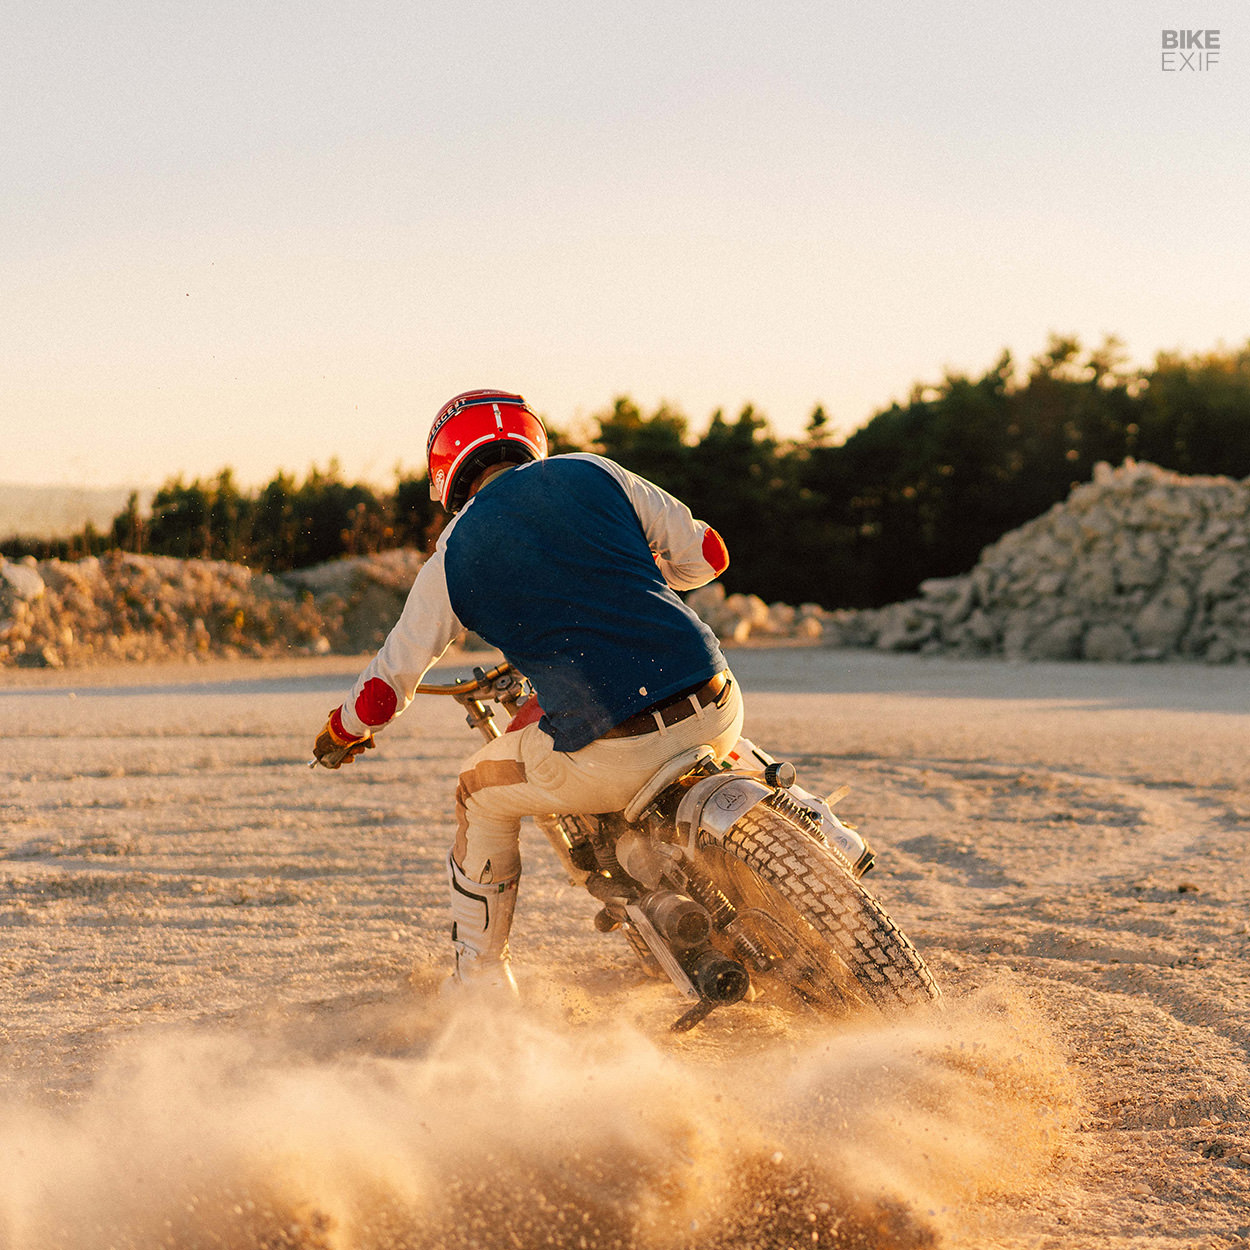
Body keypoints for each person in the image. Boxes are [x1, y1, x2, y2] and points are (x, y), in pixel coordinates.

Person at [312, 389, 744, 990]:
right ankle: (824, 833)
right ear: (528, 438)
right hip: (716, 696)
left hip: (610, 747)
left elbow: (385, 689)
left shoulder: (451, 555)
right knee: (722, 743)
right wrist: (648, 574)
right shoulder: (593, 470)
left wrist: (343, 731)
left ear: (448, 468)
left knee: (475, 794)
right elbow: (707, 553)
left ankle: (483, 985)